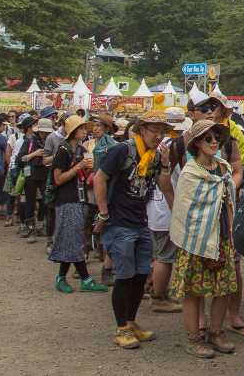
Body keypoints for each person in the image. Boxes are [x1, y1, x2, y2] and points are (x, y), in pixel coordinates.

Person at [93, 110, 172, 350]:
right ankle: (121, 328)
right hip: (120, 223)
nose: (158, 135)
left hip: (141, 222)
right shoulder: (122, 150)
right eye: (153, 130)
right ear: (141, 129)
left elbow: (164, 185)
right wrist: (104, 211)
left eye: (161, 131)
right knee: (125, 276)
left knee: (139, 276)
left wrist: (166, 164)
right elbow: (99, 178)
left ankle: (131, 321)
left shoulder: (155, 157)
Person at [168, 118, 237, 359]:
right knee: (193, 291)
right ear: (196, 143)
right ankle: (194, 338)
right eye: (208, 138)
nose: (214, 142)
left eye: (217, 138)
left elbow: (229, 202)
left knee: (224, 289)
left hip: (222, 237)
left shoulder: (223, 168)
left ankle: (216, 333)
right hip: (195, 241)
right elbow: (186, 210)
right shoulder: (190, 173)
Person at [190, 91, 244, 337]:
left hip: (227, 210)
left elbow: (240, 169)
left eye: (215, 108)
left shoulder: (230, 140)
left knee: (232, 265)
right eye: (206, 108)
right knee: (197, 264)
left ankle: (233, 314)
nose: (210, 112)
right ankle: (199, 319)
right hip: (197, 214)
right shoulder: (186, 140)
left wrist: (227, 186)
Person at [47, 115, 108, 293]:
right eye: (81, 128)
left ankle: (63, 278)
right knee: (73, 240)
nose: (85, 131)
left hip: (78, 198)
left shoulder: (80, 149)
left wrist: (87, 168)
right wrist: (79, 166)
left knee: (71, 239)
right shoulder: (63, 150)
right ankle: (85, 279)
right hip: (66, 199)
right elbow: (58, 179)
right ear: (73, 131)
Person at [145, 108, 185, 313]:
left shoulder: (157, 146)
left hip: (154, 205)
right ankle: (159, 297)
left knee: (159, 252)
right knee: (165, 256)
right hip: (167, 207)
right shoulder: (175, 147)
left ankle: (153, 287)